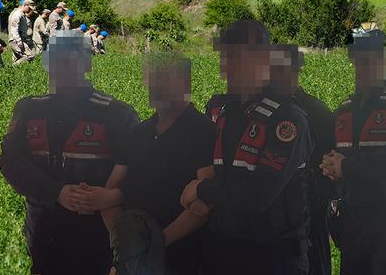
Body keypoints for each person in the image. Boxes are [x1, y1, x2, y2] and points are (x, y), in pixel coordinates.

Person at [0, 31, 139, 275]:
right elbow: (10, 162)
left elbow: (143, 173)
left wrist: (114, 197)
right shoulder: (29, 108)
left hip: (96, 239)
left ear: (86, 63)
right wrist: (58, 192)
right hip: (43, 234)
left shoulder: (117, 114)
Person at [182, 20, 312, 275]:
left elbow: (258, 195)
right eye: (225, 57)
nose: (226, 66)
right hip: (224, 251)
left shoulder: (286, 120)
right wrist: (202, 198)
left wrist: (202, 190)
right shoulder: (225, 112)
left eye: (237, 57)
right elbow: (217, 172)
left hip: (273, 259)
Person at [90, 52, 216, 275]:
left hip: (184, 258)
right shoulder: (137, 133)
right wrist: (127, 246)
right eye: (153, 79)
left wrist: (155, 245)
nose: (156, 86)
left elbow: (204, 204)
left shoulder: (204, 131)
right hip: (133, 261)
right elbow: (109, 193)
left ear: (186, 82)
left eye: (165, 79)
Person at [321, 28, 386, 274]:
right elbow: (334, 155)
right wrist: (329, 167)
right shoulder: (344, 111)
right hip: (353, 225)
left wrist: (346, 167)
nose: (361, 68)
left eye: (368, 61)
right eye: (357, 61)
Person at [269, 44, 335, 275]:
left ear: (297, 70)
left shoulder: (317, 112)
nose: (278, 76)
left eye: (285, 69)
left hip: (310, 220)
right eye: (275, 70)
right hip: (272, 225)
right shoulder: (261, 112)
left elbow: (331, 169)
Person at [8, 0, 35, 65]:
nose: (30, 10)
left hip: (18, 39)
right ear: (25, 5)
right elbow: (14, 29)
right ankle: (13, 66)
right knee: (30, 56)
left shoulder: (21, 14)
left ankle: (14, 70)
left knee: (18, 57)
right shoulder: (17, 14)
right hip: (16, 40)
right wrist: (19, 41)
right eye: (29, 8)